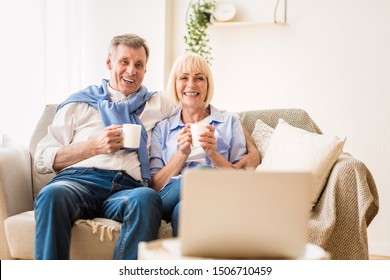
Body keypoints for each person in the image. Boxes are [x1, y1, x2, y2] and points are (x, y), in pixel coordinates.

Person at [34, 34, 259, 260]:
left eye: (138, 64)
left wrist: (253, 149)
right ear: (109, 63)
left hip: (126, 189)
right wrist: (95, 146)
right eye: (125, 62)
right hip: (79, 182)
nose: (131, 70)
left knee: (147, 198)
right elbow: (42, 158)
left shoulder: (156, 103)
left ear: (145, 70)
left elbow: (203, 107)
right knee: (53, 194)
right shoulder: (78, 104)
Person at [149, 52, 251, 237]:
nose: (191, 85)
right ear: (175, 84)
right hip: (168, 198)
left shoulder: (229, 122)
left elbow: (241, 181)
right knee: (202, 173)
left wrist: (213, 153)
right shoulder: (162, 128)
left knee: (186, 209)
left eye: (199, 78)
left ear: (207, 85)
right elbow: (154, 186)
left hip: (215, 198)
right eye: (184, 78)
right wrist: (181, 154)